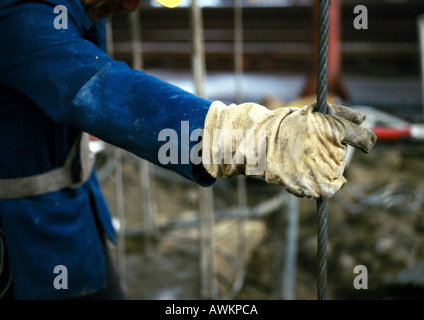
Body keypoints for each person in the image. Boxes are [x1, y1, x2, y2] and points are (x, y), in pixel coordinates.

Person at [0, 0, 376, 300]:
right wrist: (260, 140)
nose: (131, 7)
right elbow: (101, 90)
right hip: (23, 240)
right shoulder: (19, 17)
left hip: (76, 213)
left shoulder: (82, 7)